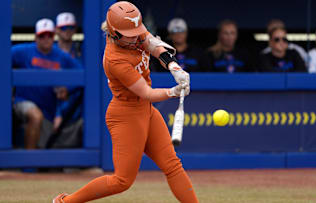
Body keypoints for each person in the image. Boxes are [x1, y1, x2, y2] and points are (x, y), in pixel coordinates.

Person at [53, 1, 198, 203]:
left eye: (136, 30)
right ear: (114, 33)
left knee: (172, 165)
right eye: (129, 34)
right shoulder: (114, 59)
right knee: (122, 181)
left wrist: (175, 68)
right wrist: (173, 91)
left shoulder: (133, 28)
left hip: (145, 111)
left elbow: (153, 44)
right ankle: (64, 202)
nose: (135, 37)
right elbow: (146, 93)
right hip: (125, 115)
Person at [12, 18, 82, 149]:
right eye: (42, 35)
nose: (46, 39)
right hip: (23, 102)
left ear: (53, 36)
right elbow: (4, 58)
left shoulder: (61, 56)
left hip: (49, 111)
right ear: (36, 37)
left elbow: (83, 74)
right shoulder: (23, 51)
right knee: (35, 115)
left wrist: (67, 89)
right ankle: (29, 164)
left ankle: (33, 165)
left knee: (46, 145)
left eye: (49, 35)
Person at [49, 12, 84, 148]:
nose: (67, 31)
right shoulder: (50, 52)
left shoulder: (81, 51)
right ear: (57, 30)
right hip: (52, 107)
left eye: (70, 27)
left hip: (76, 107)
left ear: (75, 29)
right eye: (63, 27)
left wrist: (68, 89)